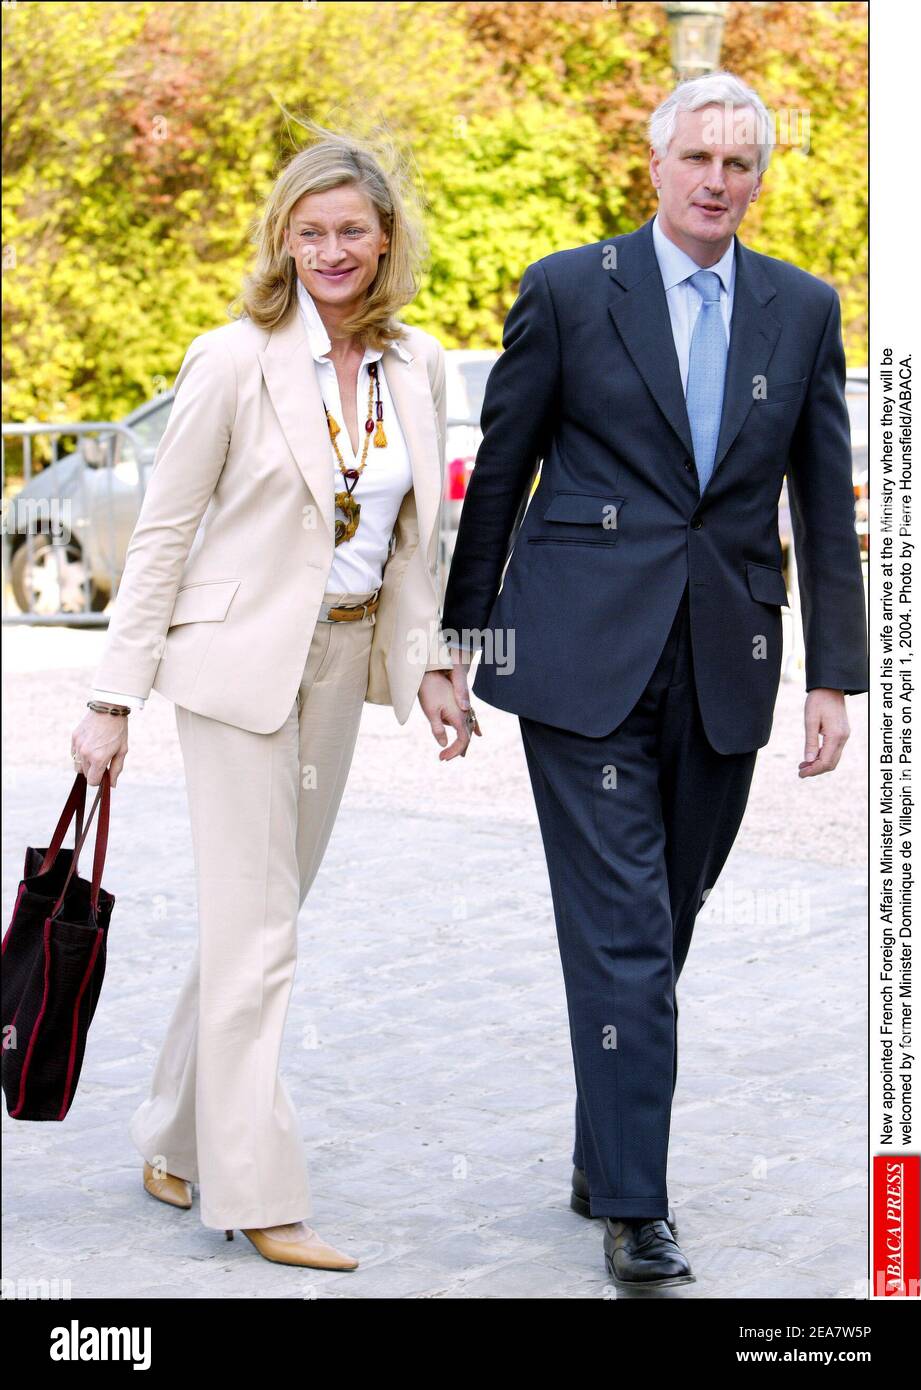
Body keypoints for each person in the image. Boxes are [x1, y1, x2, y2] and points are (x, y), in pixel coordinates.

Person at [441, 71, 869, 1290]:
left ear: (761, 177)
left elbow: (820, 507)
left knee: (664, 917)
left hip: (727, 660)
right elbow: (505, 466)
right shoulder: (573, 290)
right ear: (657, 164)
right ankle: (637, 1206)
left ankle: (602, 1141)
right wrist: (459, 649)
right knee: (627, 927)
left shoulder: (802, 306)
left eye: (741, 163)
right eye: (699, 158)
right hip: (580, 659)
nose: (717, 180)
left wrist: (835, 676)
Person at [70, 126, 474, 1270]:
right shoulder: (232, 357)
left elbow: (410, 544)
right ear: (283, 240)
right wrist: (113, 695)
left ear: (386, 237)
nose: (332, 251)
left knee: (260, 915)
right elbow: (161, 535)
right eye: (311, 232)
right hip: (236, 673)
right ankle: (254, 1190)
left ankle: (173, 1133)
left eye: (352, 230)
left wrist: (433, 665)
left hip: (344, 667)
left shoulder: (419, 364)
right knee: (260, 933)